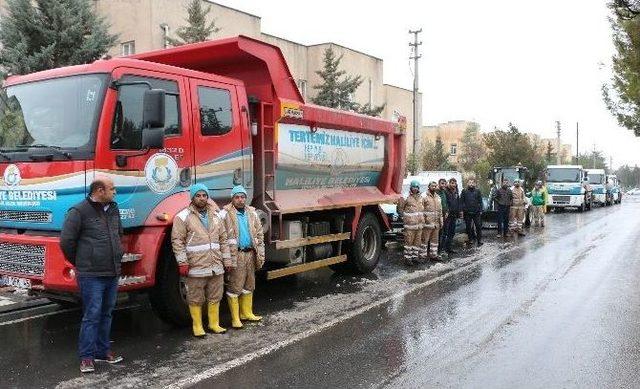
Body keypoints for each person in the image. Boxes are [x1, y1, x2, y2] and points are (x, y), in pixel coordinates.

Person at [60, 177, 124, 374]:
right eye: (112, 189)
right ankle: (87, 357)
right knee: (92, 315)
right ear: (99, 190)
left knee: (107, 312)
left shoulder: (113, 209)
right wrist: (81, 262)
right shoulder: (78, 211)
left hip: (112, 271)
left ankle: (102, 352)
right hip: (91, 274)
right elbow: (66, 242)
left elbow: (119, 234)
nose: (115, 192)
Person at [171, 183, 229, 337]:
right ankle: (197, 326)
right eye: (198, 195)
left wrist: (227, 260)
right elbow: (177, 241)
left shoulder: (216, 215)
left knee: (216, 295)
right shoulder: (182, 217)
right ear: (193, 197)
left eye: (204, 195)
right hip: (196, 265)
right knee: (195, 297)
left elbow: (223, 239)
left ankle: (214, 324)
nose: (202, 198)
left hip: (216, 265)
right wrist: (182, 262)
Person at [219, 185, 266, 329]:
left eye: (243, 197)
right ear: (232, 198)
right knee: (235, 286)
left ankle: (246, 313)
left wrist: (261, 253)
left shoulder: (252, 213)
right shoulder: (225, 214)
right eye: (237, 197)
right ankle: (235, 318)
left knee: (249, 284)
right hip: (237, 254)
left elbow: (259, 235)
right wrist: (226, 259)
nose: (240, 200)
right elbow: (222, 238)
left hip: (250, 253)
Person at [397, 180, 424, 265]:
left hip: (419, 226)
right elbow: (400, 209)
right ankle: (407, 258)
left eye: (416, 187)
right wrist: (404, 217)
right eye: (413, 187)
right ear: (411, 187)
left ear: (418, 188)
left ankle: (415, 257)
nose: (415, 189)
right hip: (409, 225)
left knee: (417, 243)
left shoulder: (421, 197)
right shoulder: (406, 196)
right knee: (408, 242)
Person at [422, 181, 444, 261]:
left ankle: (433, 255)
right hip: (427, 223)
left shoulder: (438, 197)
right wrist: (423, 221)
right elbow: (421, 210)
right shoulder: (424, 196)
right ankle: (422, 256)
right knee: (424, 241)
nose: (434, 187)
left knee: (435, 241)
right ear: (429, 186)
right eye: (432, 186)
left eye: (435, 186)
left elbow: (440, 211)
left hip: (436, 224)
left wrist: (441, 222)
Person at [460, 178, 484, 246]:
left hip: (476, 212)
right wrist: (462, 210)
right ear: (467, 183)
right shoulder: (464, 191)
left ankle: (479, 240)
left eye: (472, 183)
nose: (471, 184)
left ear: (475, 184)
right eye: (470, 182)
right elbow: (461, 201)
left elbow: (480, 201)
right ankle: (470, 239)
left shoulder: (478, 191)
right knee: (468, 227)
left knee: (478, 226)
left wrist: (481, 210)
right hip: (467, 212)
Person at [443, 178, 462, 254]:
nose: (453, 184)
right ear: (449, 183)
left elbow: (458, 202)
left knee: (452, 232)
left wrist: (459, 212)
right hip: (447, 215)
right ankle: (443, 249)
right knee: (445, 232)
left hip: (454, 214)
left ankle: (449, 248)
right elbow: (445, 202)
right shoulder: (446, 191)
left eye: (454, 183)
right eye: (452, 183)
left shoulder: (456, 191)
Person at [436, 178, 449, 254]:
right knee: (438, 233)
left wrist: (447, 211)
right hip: (438, 215)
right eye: (442, 183)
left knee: (445, 233)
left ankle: (441, 249)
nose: (443, 185)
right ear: (439, 184)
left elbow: (445, 203)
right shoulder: (436, 193)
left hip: (445, 215)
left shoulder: (444, 192)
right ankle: (437, 250)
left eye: (444, 183)